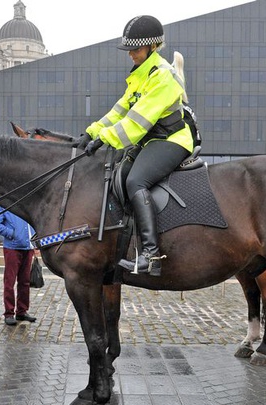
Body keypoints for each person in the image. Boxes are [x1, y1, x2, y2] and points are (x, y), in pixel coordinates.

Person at [77, 15, 195, 276]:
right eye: (129, 49)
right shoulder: (140, 76)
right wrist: (91, 131)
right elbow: (119, 110)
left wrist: (104, 139)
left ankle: (151, 256)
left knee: (135, 181)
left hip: (173, 140)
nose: (131, 54)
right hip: (152, 140)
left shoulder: (163, 76)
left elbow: (136, 123)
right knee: (121, 173)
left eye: (136, 49)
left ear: (153, 47)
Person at [0, 207, 36, 326]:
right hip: (12, 248)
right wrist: (12, 234)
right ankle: (9, 313)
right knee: (9, 282)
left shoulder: (26, 203)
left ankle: (22, 311)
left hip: (28, 247)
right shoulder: (3, 206)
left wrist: (34, 241)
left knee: (25, 281)